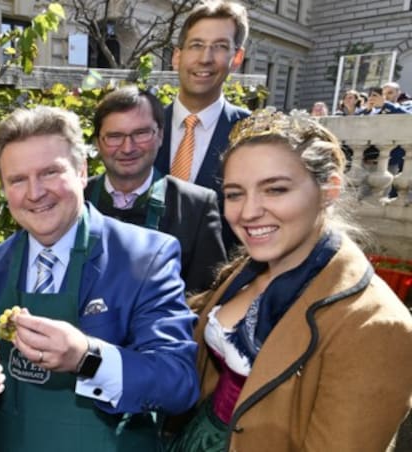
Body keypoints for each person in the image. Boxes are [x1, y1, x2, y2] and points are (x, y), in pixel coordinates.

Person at [0, 105, 199, 451]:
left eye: (50, 173)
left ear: (82, 172)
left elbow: (177, 383)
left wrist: (87, 358)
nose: (35, 193)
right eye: (18, 180)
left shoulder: (145, 256)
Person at [166, 108, 412, 451]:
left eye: (276, 190)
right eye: (235, 193)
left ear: (329, 189)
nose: (249, 212)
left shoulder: (376, 326)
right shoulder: (248, 267)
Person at [85, 86, 226, 294]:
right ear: (97, 142)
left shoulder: (196, 206)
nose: (128, 148)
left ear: (160, 135)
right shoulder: (74, 198)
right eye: (114, 136)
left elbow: (206, 297)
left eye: (141, 133)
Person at [154, 0, 250, 251]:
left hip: (222, 283)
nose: (205, 58)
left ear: (237, 57)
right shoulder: (144, 128)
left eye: (219, 47)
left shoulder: (252, 135)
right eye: (196, 45)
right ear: (177, 56)